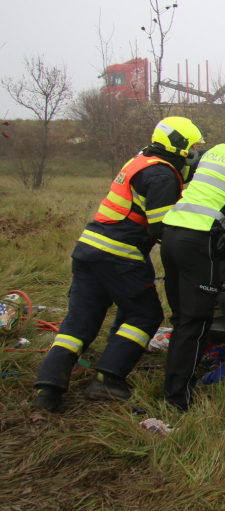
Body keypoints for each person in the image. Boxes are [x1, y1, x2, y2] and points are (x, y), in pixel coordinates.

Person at [32, 117, 203, 411]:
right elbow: (162, 229)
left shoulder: (140, 161)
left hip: (88, 249)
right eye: (194, 148)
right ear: (179, 147)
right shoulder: (162, 176)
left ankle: (49, 389)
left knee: (79, 322)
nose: (195, 155)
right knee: (145, 315)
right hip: (119, 254)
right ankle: (108, 378)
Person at [160, 122, 225, 411]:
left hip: (172, 234)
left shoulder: (215, 151)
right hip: (199, 238)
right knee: (196, 320)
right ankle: (177, 398)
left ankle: (173, 381)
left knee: (181, 318)